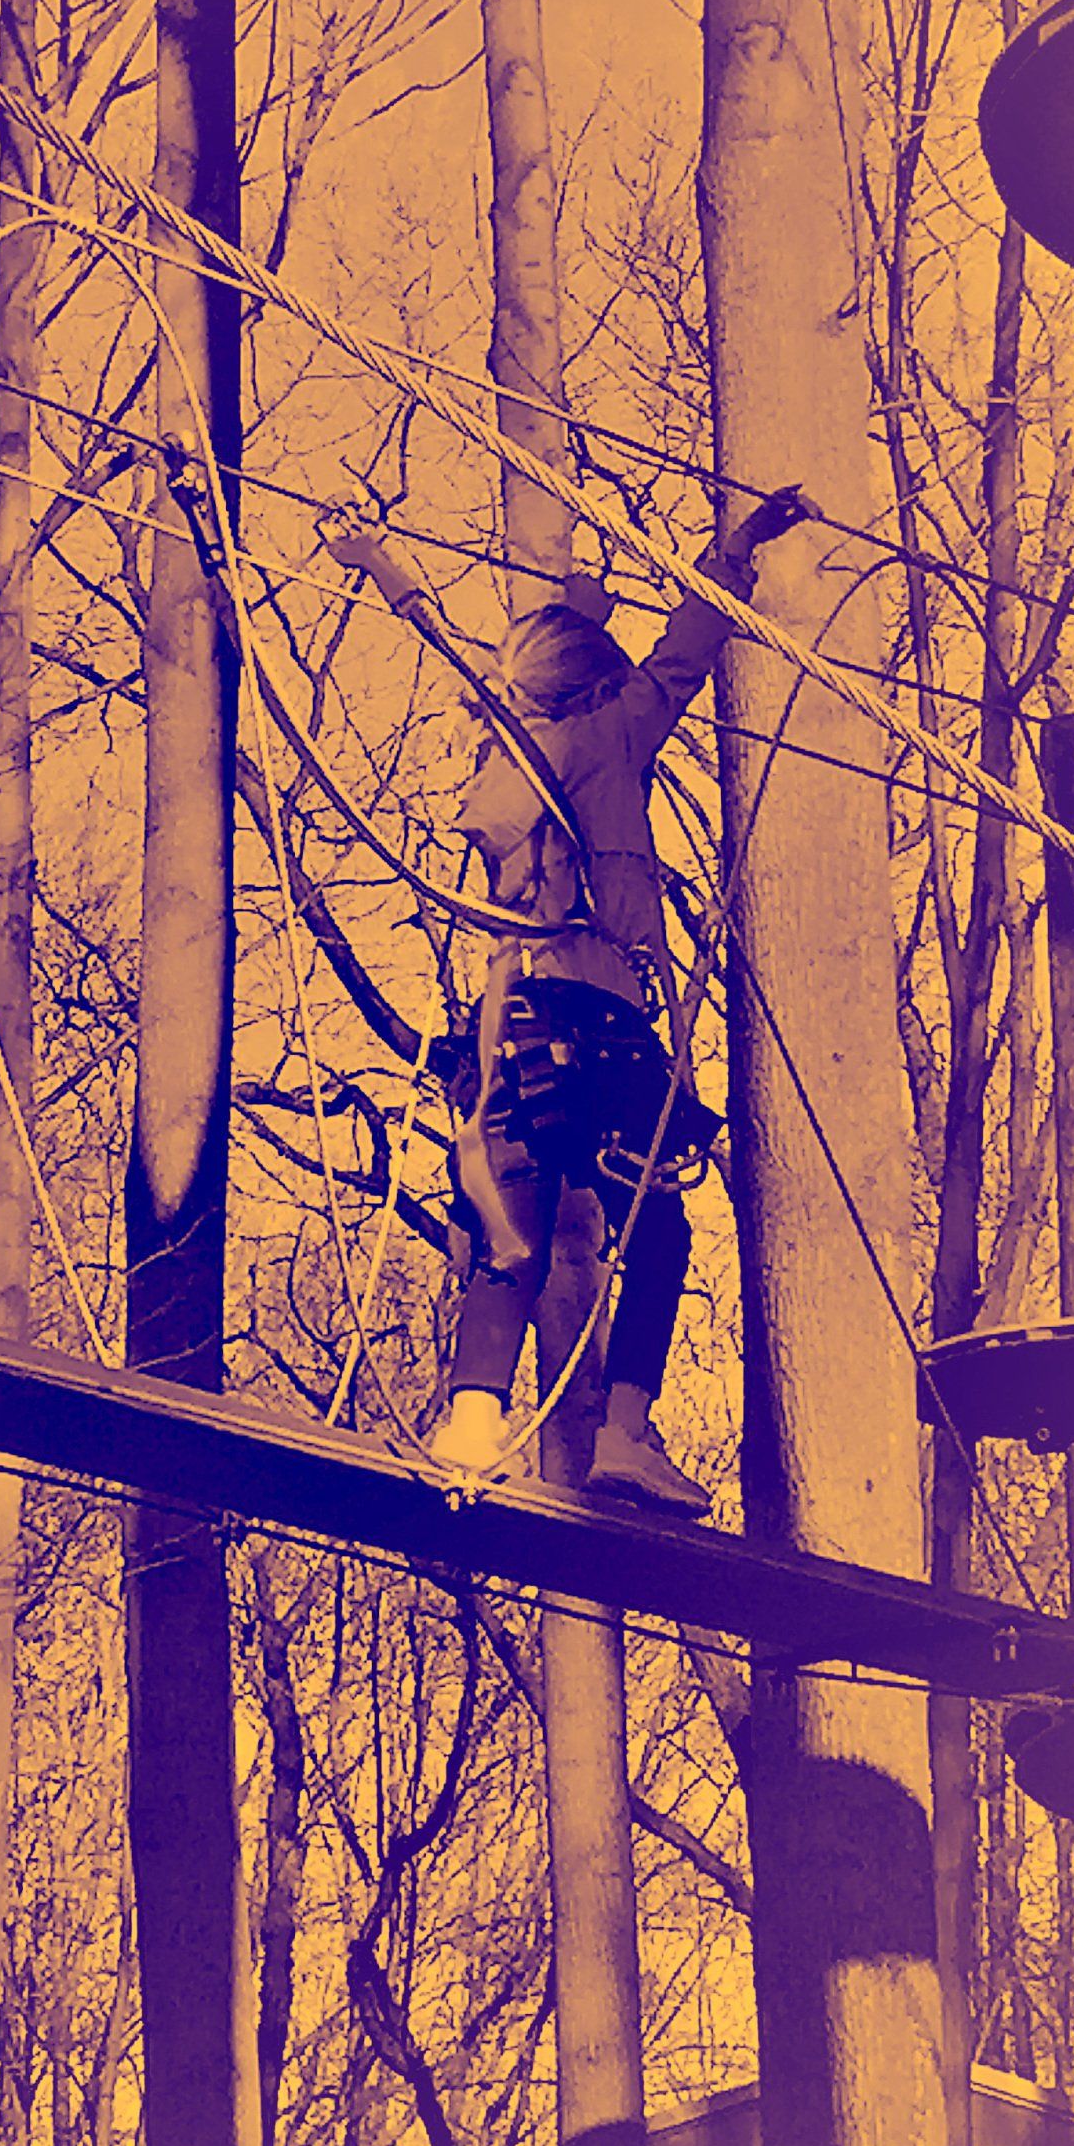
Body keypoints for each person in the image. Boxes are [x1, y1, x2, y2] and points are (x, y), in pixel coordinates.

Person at [319, 486, 813, 1512]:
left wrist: (378, 560)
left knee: (516, 1226)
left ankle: (470, 1422)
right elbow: (683, 656)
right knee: (659, 1223)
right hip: (598, 1021)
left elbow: (446, 639)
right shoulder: (611, 738)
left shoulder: (507, 750)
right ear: (596, 684)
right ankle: (625, 1432)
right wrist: (736, 551)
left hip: (511, 1025)